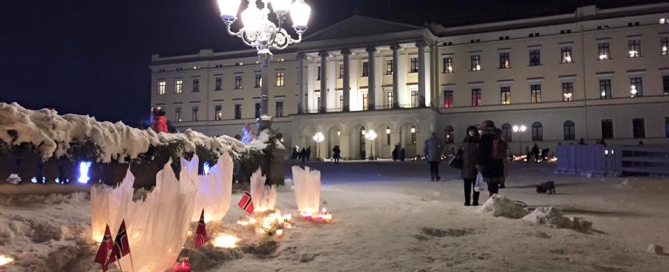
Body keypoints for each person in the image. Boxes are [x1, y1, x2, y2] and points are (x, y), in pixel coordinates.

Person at [477, 120, 505, 197]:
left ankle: (492, 202)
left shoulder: (484, 137)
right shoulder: (498, 135)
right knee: (495, 185)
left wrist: (479, 164)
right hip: (498, 163)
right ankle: (494, 199)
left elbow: (481, 152)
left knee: (491, 185)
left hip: (488, 164)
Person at [460, 126, 480, 206]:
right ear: (468, 132)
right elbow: (461, 152)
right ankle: (467, 201)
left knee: (476, 186)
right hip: (466, 166)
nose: (472, 132)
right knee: (467, 186)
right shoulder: (465, 140)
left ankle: (475, 201)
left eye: (473, 131)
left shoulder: (478, 141)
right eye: (470, 131)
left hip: (475, 166)